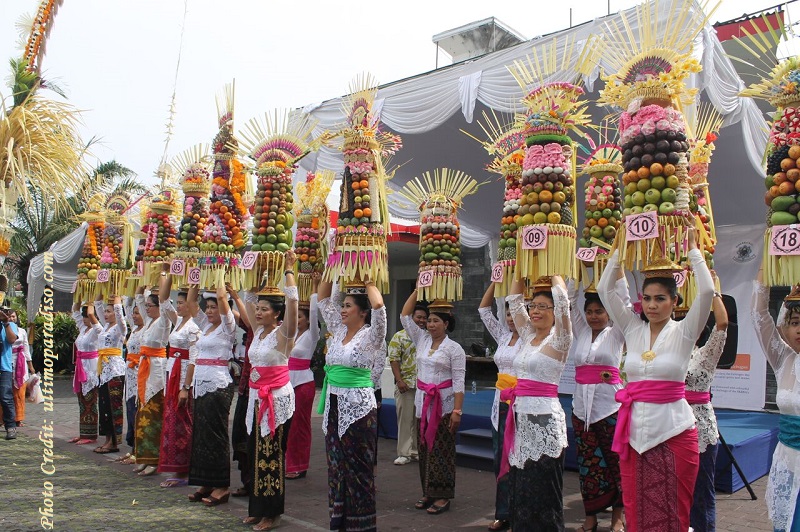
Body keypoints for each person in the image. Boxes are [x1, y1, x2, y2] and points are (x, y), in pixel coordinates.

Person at [597, 219, 713, 532]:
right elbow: (605, 289)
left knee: (674, 512)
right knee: (638, 512)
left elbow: (707, 291)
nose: (652, 305)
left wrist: (692, 250)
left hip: (674, 431)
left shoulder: (685, 332)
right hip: (634, 434)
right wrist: (618, 251)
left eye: (660, 298)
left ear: (675, 302)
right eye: (647, 298)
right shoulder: (633, 329)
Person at [317, 277, 386, 532]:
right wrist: (332, 268)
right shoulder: (338, 330)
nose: (342, 309)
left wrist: (368, 280)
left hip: (358, 410)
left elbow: (379, 306)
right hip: (334, 406)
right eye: (343, 305)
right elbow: (324, 298)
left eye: (348, 305)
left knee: (359, 469)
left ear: (362, 312)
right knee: (336, 467)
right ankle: (339, 523)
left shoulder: (372, 335)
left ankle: (362, 526)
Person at [502, 276, 571, 532]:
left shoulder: (560, 339)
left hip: (545, 421)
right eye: (534, 306)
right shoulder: (528, 334)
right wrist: (521, 270)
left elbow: (563, 303)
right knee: (521, 490)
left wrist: (553, 272)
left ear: (555, 312)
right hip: (521, 420)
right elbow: (515, 301)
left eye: (544, 306)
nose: (536, 311)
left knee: (544, 492)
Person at [241, 251, 298, 531]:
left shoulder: (283, 334)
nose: (259, 312)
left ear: (277, 313)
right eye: (259, 308)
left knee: (271, 455)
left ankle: (272, 514)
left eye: (265, 309)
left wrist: (288, 271)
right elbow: (248, 298)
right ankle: (257, 507)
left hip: (275, 400)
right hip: (256, 398)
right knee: (255, 453)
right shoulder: (259, 332)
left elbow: (293, 306)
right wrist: (259, 272)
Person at [568, 278, 627, 532]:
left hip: (611, 408)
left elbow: (624, 303)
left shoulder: (616, 333)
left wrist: (619, 274)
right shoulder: (580, 332)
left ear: (608, 313)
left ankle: (617, 517)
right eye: (589, 312)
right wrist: (576, 275)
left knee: (616, 464)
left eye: (599, 311)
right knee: (588, 466)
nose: (593, 316)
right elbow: (569, 304)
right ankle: (590, 516)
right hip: (581, 410)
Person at [401, 291, 465, 517]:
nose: (430, 324)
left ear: (446, 324)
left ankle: (443, 494)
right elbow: (404, 316)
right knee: (425, 448)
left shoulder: (454, 348)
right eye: (429, 320)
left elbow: (459, 382)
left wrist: (457, 410)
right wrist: (419, 289)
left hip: (444, 406)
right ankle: (428, 490)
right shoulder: (422, 339)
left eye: (436, 321)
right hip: (422, 402)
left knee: (442, 449)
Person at [754, 269, 800, 532]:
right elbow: (760, 316)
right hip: (787, 459)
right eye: (794, 322)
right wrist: (766, 268)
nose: (799, 329)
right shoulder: (784, 359)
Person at [184, 283, 236, 506]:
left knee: (216, 435)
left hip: (218, 384)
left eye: (214, 307)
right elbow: (191, 303)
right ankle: (206, 481)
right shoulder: (204, 326)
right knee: (201, 435)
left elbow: (224, 301)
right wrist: (195, 282)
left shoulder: (228, 326)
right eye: (209, 307)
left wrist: (219, 276)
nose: (210, 310)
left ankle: (222, 485)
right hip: (200, 384)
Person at [684, 272, 728, 532]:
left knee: (702, 491)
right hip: (674, 424)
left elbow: (722, 324)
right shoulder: (672, 349)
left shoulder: (707, 354)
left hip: (701, 426)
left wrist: (713, 290)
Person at [478, 282, 523, 531]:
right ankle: (503, 511)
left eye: (515, 312)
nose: (510, 317)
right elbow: (484, 310)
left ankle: (520, 511)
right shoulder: (503, 336)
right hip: (500, 403)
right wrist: (496, 280)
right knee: (500, 458)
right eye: (507, 313)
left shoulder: (532, 337)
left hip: (521, 404)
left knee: (520, 458)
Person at [158, 272, 201, 486]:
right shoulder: (178, 323)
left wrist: (186, 386)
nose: (179, 306)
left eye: (183, 303)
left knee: (183, 421)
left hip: (184, 375)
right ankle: (173, 465)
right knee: (172, 420)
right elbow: (163, 300)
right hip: (171, 371)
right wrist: (169, 272)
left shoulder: (194, 327)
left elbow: (194, 359)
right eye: (179, 302)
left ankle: (184, 469)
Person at [133, 275, 172, 476]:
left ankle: (155, 459)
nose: (146, 308)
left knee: (153, 414)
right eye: (146, 306)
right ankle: (143, 457)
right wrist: (144, 275)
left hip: (156, 369)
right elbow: (138, 298)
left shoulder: (163, 322)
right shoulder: (148, 322)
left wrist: (164, 277)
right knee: (142, 413)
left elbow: (165, 305)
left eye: (150, 305)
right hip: (144, 367)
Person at [285, 272, 321, 479]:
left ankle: (299, 465)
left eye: (300, 316)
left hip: (303, 383)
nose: (296, 319)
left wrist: (314, 288)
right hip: (286, 382)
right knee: (288, 425)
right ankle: (290, 462)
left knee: (300, 425)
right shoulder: (290, 334)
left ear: (307, 320)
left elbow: (315, 314)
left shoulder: (312, 335)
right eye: (295, 315)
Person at [389, 302, 428, 467]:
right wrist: (399, 380)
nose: (421, 321)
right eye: (419, 317)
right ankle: (403, 453)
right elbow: (394, 359)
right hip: (406, 384)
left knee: (418, 420)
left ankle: (415, 451)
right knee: (405, 420)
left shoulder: (427, 336)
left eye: (424, 318)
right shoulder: (400, 336)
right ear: (411, 318)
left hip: (423, 386)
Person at [93, 294, 128, 454]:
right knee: (104, 405)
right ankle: (107, 439)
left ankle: (114, 441)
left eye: (109, 311)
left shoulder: (120, 328)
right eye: (105, 312)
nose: (106, 314)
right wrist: (101, 290)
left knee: (113, 406)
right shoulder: (106, 327)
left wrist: (118, 302)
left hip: (115, 370)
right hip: (103, 371)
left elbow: (121, 317)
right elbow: (97, 305)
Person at [70, 301, 101, 445]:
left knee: (90, 401)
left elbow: (91, 314)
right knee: (82, 402)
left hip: (91, 368)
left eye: (87, 317)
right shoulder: (83, 329)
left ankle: (91, 434)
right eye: (83, 317)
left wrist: (91, 301)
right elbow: (75, 311)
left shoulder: (97, 329)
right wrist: (79, 295)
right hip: (80, 367)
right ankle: (83, 433)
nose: (84, 319)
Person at [119, 296, 144, 463]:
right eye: (133, 313)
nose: (134, 316)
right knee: (130, 409)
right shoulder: (134, 329)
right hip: (130, 373)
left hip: (141, 372)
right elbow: (126, 307)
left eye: (138, 313)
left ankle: (140, 450)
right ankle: (133, 447)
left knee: (138, 411)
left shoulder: (148, 328)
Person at [10, 311, 34, 427]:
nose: (11, 318)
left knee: (20, 391)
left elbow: (26, 349)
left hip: (21, 363)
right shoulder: (3, 331)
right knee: (7, 392)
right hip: (8, 361)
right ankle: (5, 418)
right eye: (9, 316)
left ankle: (19, 418)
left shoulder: (22, 331)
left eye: (13, 316)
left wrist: (30, 366)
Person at [0, 307, 19, 440]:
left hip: (4, 367)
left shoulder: (10, 325)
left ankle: (11, 426)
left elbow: (12, 340)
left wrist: (6, 323)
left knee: (5, 397)